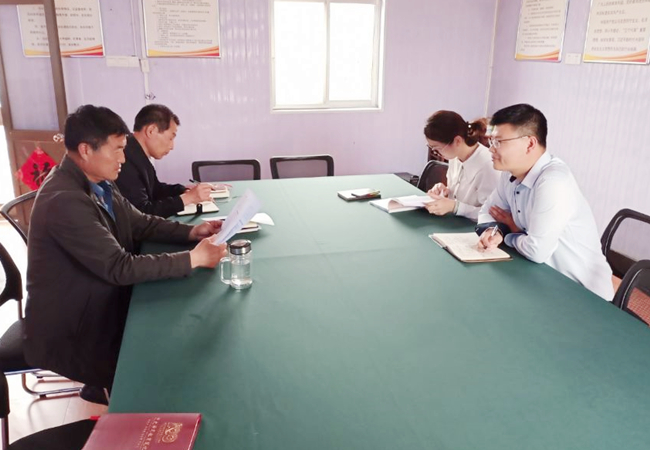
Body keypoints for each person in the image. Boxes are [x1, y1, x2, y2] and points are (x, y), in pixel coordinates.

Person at [24, 105, 228, 400]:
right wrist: (193, 258)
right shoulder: (64, 200)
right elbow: (119, 267)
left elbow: (139, 222)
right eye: (117, 149)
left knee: (176, 327)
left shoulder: (98, 181)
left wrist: (192, 232)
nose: (123, 159)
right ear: (86, 150)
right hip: (76, 330)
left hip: (102, 303)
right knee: (168, 361)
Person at [476, 104, 613, 300]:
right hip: (540, 279)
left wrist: (509, 233)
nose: (491, 149)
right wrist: (494, 230)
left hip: (581, 293)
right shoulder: (509, 174)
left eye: (498, 142)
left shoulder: (553, 181)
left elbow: (536, 251)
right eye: (491, 141)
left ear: (530, 144)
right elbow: (486, 212)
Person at [115, 104, 213, 218]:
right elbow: (141, 213)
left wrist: (183, 190)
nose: (172, 146)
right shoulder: (125, 159)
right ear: (151, 131)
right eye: (171, 138)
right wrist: (187, 198)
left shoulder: (137, 152)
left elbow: (156, 190)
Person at [423, 111, 499, 221]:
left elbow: (492, 214)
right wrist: (445, 191)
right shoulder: (455, 156)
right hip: (454, 221)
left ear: (457, 141)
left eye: (437, 149)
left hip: (475, 227)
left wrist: (455, 207)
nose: (436, 153)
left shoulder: (488, 166)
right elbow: (460, 194)